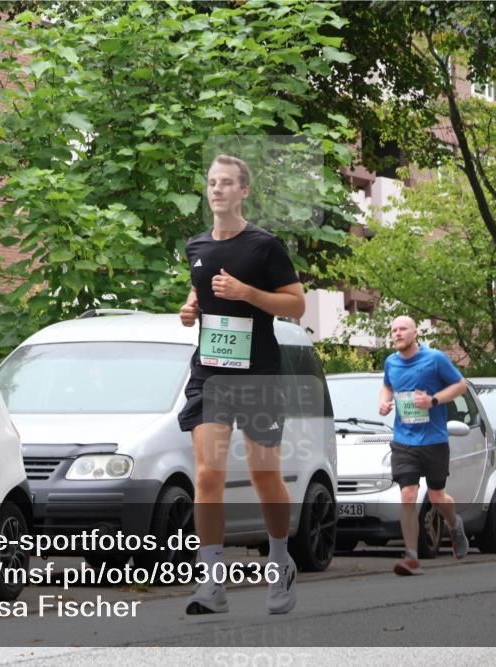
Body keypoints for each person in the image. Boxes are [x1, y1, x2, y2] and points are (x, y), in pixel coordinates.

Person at [177, 155, 305, 614]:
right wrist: (190, 310)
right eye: (211, 182)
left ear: (244, 191)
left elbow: (296, 307)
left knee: (263, 475)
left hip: (258, 375)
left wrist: (247, 293)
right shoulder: (195, 245)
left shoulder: (264, 246)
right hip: (210, 373)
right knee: (208, 474)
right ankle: (211, 583)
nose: (217, 189)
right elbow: (199, 296)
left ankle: (280, 561)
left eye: (226, 183)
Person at [380, 316, 470, 576]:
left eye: (403, 329)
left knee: (437, 496)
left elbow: (460, 386)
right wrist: (385, 402)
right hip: (404, 440)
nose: (398, 333)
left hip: (434, 440)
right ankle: (411, 557)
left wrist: (433, 400)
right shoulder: (390, 362)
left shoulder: (435, 359)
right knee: (407, 494)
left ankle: (454, 525)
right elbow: (387, 386)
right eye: (394, 329)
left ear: (415, 332)